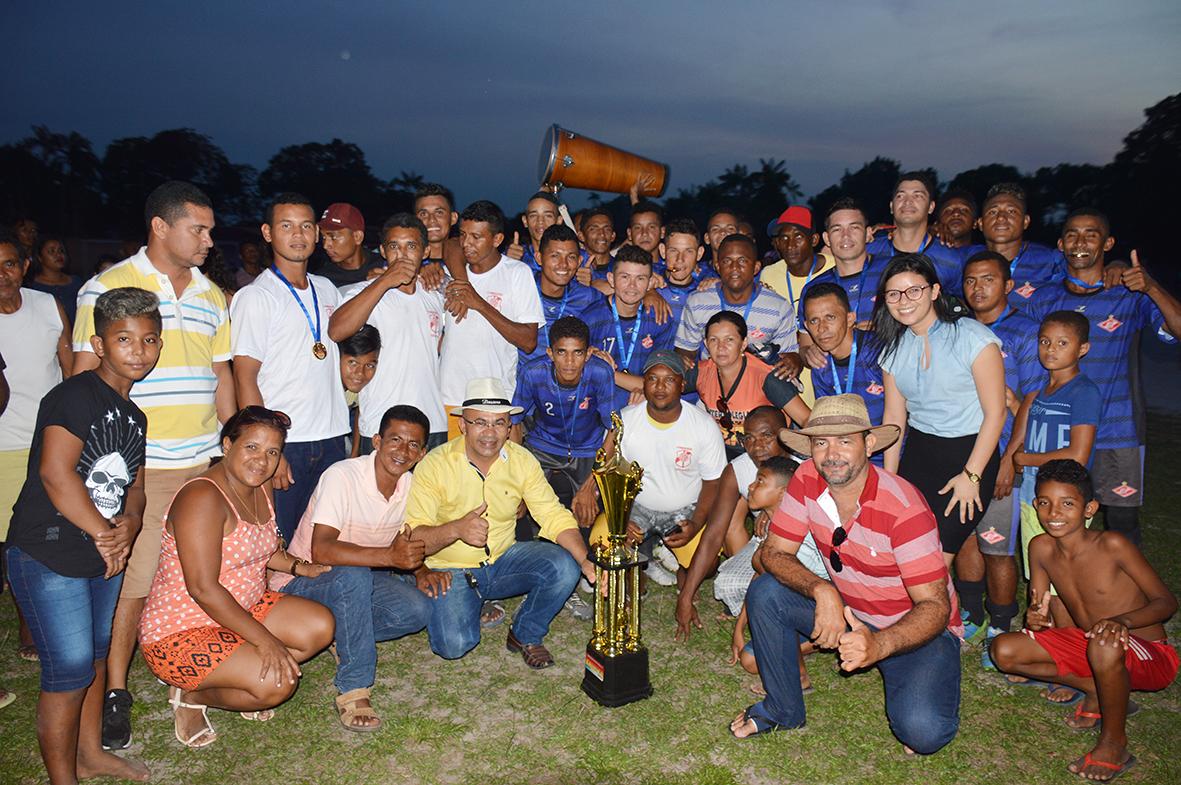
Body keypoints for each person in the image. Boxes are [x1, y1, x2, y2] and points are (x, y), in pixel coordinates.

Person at [72, 181, 237, 751]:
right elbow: (79, 383)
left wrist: (229, 453)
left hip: (203, 463)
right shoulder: (108, 287)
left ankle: (196, 675)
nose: (210, 240)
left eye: (211, 230)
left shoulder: (214, 295)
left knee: (200, 575)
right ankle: (115, 690)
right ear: (161, 227)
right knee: (132, 582)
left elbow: (222, 379)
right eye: (200, 229)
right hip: (140, 468)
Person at [730, 395, 961, 756]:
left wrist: (881, 644)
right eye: (821, 443)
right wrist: (823, 591)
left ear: (869, 444)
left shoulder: (903, 509)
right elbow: (771, 554)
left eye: (844, 441)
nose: (831, 454)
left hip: (913, 627)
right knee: (767, 593)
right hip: (851, 613)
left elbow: (934, 607)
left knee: (923, 733)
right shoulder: (807, 478)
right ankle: (783, 709)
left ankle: (920, 669)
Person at [6, 287, 160, 784]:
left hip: (103, 552)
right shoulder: (72, 395)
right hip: (51, 549)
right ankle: (62, 778)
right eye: (124, 339)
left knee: (94, 657)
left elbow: (134, 487)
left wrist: (129, 526)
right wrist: (103, 532)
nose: (139, 351)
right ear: (98, 344)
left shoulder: (134, 416)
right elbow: (56, 473)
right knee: (68, 672)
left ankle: (90, 753)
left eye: (149, 340)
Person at [138, 407, 335, 749]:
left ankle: (238, 668)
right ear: (227, 445)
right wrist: (266, 641)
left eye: (273, 451)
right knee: (275, 686)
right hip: (182, 630)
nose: (262, 460)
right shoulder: (202, 497)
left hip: (245, 606)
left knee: (319, 626)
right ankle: (192, 695)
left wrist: (300, 566)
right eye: (252, 447)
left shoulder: (258, 486)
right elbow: (202, 588)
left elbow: (260, 547)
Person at [989, 460, 1178, 781]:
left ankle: (1114, 742)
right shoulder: (1040, 548)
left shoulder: (1112, 545)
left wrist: (1123, 621)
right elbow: (1039, 608)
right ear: (1035, 506)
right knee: (1003, 650)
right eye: (1045, 503)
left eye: (1067, 504)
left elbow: (1167, 602)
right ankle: (1097, 689)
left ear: (1089, 508)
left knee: (1105, 642)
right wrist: (1035, 618)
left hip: (1148, 654)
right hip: (1091, 642)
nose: (1054, 513)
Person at [404, 378, 595, 667]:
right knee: (454, 645)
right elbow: (414, 537)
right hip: (451, 570)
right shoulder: (434, 464)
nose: (489, 433)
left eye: (498, 423)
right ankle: (469, 601)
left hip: (504, 560)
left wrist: (585, 561)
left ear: (509, 428)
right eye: (480, 422)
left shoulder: (522, 460)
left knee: (564, 565)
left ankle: (526, 633)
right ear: (463, 425)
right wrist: (456, 529)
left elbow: (552, 514)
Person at [270, 405, 435, 732]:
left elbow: (407, 539)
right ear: (376, 440)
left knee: (417, 610)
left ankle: (341, 633)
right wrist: (390, 558)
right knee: (355, 573)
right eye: (395, 440)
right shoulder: (342, 475)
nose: (402, 450)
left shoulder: (412, 486)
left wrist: (421, 571)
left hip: (351, 588)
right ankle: (354, 687)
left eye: (413, 444)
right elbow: (323, 549)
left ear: (422, 453)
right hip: (301, 582)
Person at [1024, 208, 1181, 546]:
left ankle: (1125, 596)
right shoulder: (1044, 298)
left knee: (1121, 523)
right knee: (1056, 521)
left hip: (1116, 431)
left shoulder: (1130, 294)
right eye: (1071, 234)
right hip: (1056, 437)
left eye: (1090, 234)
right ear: (1060, 244)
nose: (1080, 242)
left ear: (1108, 243)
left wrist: (1152, 286)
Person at [230, 193, 350, 544]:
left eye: (306, 226)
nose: (297, 235)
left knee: (320, 539)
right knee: (276, 540)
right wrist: (269, 447)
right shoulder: (256, 297)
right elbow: (244, 376)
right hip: (288, 441)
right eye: (286, 226)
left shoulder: (327, 289)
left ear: (316, 234)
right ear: (268, 233)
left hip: (330, 436)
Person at [876, 254, 1006, 569]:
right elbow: (895, 419)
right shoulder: (893, 348)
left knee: (934, 562)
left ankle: (937, 616)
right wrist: (891, 481)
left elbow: (996, 413)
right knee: (908, 551)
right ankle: (945, 616)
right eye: (894, 294)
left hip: (970, 452)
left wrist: (972, 475)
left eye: (914, 290)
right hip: (920, 455)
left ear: (934, 291)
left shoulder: (973, 337)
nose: (903, 301)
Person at [958, 250, 1045, 646]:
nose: (978, 288)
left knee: (997, 545)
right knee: (963, 537)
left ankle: (1001, 625)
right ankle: (971, 613)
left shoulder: (1025, 331)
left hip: (999, 453)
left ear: (1008, 285)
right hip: (959, 448)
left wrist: (1010, 458)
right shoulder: (955, 328)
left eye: (988, 279)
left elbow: (1031, 399)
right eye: (971, 280)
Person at [590, 351, 726, 587]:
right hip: (635, 507)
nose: (660, 387)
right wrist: (618, 515)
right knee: (601, 545)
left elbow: (713, 482)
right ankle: (638, 566)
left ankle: (673, 560)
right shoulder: (625, 420)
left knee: (709, 562)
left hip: (684, 510)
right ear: (644, 383)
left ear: (682, 385)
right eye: (652, 379)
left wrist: (695, 524)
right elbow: (605, 467)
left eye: (669, 380)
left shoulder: (703, 425)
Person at [511, 316, 616, 619]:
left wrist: (591, 485)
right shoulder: (533, 373)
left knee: (583, 513)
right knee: (522, 509)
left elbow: (613, 430)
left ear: (589, 352)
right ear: (549, 352)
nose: (570, 362)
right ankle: (530, 577)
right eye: (562, 352)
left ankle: (573, 576)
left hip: (588, 449)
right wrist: (517, 478)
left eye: (578, 352)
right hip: (543, 447)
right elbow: (516, 423)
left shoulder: (599, 373)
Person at [329, 213, 448, 450]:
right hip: (379, 424)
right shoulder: (365, 292)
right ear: (383, 251)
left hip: (431, 424)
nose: (402, 255)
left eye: (411, 246)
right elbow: (336, 330)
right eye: (394, 246)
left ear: (425, 252)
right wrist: (384, 281)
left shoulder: (435, 295)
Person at [439, 201, 546, 439]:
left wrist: (479, 303)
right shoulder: (449, 274)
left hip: (495, 397)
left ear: (497, 240)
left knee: (494, 474)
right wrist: (463, 284)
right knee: (453, 472)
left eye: (476, 237)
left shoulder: (516, 273)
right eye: (464, 235)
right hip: (450, 395)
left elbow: (529, 341)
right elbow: (450, 245)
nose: (467, 243)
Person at [1010, 311, 1100, 578]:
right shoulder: (1041, 391)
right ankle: (1041, 619)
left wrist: (1024, 459)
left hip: (1065, 497)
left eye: (1063, 343)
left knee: (1065, 575)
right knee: (1037, 569)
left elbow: (1078, 455)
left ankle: (1065, 621)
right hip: (1033, 493)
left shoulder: (1083, 392)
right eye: (1045, 341)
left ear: (1082, 348)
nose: (1051, 350)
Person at [1, 235, 72, 552]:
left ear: (25, 266)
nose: (2, 275)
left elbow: (71, 372)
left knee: (43, 535)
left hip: (49, 442)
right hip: (4, 445)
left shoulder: (48, 306)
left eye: (9, 264)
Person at [681, 311, 810, 458]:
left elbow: (806, 419)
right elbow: (661, 386)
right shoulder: (702, 372)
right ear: (706, 344)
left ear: (743, 344)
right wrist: (673, 361)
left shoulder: (765, 376)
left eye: (729, 340)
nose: (721, 347)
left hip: (767, 455)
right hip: (724, 453)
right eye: (713, 340)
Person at [675, 234, 800, 372]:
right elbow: (685, 352)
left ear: (756, 267)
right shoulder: (697, 303)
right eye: (727, 261)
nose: (734, 267)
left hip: (758, 388)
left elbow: (789, 356)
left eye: (742, 261)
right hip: (711, 386)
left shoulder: (779, 308)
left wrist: (793, 361)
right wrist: (682, 362)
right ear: (717, 266)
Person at [582, 244, 678, 409]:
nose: (632, 286)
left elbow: (660, 384)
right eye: (625, 277)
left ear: (649, 283)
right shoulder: (590, 318)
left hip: (642, 408)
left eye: (640, 278)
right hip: (596, 408)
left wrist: (606, 371)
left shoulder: (660, 319)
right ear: (611, 279)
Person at [801, 283, 886, 462]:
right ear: (806, 326)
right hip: (849, 458)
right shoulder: (820, 365)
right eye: (814, 321)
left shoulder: (878, 351)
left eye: (830, 317)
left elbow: (901, 414)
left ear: (850, 319)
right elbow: (829, 426)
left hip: (891, 454)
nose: (822, 328)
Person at [760, 205, 834, 406]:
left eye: (798, 237)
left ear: (814, 240)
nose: (790, 244)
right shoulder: (768, 275)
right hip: (785, 373)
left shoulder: (834, 268)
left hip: (823, 369)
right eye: (784, 238)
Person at [866, 172, 967, 297]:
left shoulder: (951, 259)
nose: (908, 202)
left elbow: (961, 305)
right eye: (900, 196)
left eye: (917, 196)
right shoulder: (869, 250)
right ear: (892, 206)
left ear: (931, 207)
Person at [964, 182, 1065, 307]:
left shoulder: (1051, 260)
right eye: (993, 212)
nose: (1001, 218)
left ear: (1025, 221)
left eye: (1011, 211)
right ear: (980, 223)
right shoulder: (964, 259)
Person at [519, 224, 602, 366]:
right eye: (555, 256)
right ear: (539, 258)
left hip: (571, 383)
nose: (563, 264)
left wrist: (651, 293)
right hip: (525, 383)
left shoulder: (588, 297)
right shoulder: (520, 290)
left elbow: (622, 298)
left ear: (579, 261)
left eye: (571, 257)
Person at [657, 218, 715, 328]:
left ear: (699, 254)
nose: (680, 259)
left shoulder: (706, 291)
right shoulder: (647, 283)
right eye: (673, 250)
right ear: (663, 250)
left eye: (688, 251)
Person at [336, 325, 381, 457]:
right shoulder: (325, 386)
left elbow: (359, 411)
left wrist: (355, 451)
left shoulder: (361, 387)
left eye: (369, 365)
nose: (360, 373)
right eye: (352, 363)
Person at [317, 202, 383, 288]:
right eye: (323, 237)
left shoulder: (384, 265)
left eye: (333, 237)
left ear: (357, 237)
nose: (325, 245)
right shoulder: (323, 280)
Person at [27, 236, 83, 325]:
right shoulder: (31, 286)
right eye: (51, 251)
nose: (58, 255)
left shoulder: (76, 282)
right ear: (39, 257)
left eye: (61, 251)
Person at [578, 206, 617, 293]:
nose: (602, 234)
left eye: (607, 229)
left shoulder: (622, 268)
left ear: (613, 236)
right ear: (581, 236)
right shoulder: (571, 266)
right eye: (593, 229)